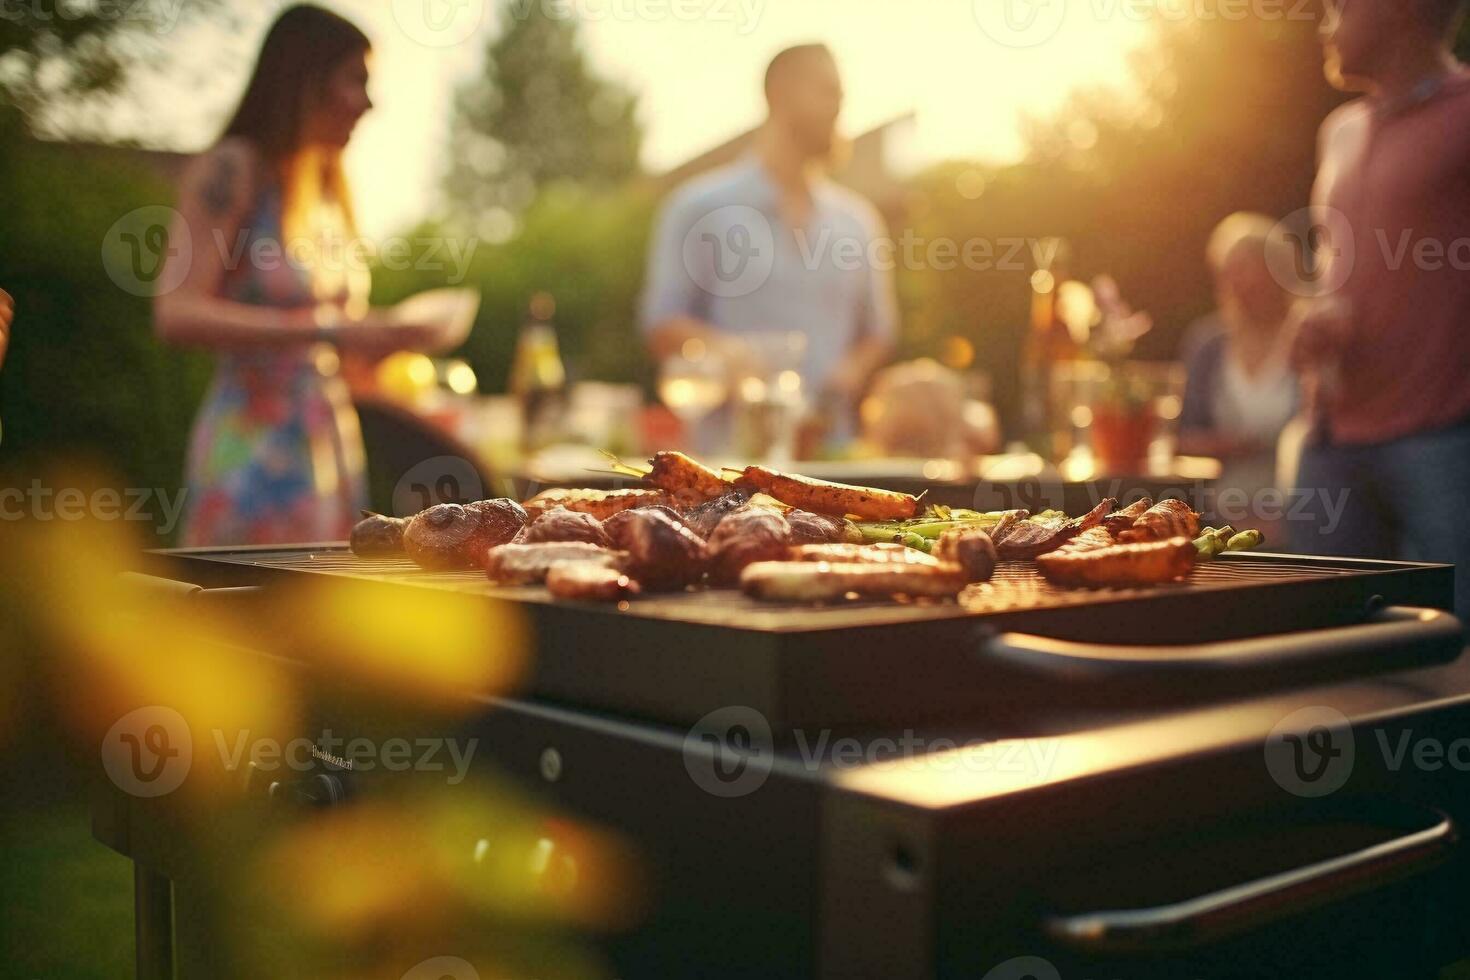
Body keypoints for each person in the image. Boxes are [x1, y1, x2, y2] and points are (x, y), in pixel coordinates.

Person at [156, 6, 456, 546]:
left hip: (326, 446)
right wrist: (329, 329)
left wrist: (385, 348)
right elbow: (175, 312)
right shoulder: (234, 168)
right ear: (304, 78)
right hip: (250, 452)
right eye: (355, 80)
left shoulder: (326, 190)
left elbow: (330, 344)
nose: (369, 102)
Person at [1289, 0, 1470, 617]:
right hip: (1330, 435)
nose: (1325, 23)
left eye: (1339, 8)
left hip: (1442, 439)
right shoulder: (1337, 129)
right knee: (1323, 640)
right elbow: (1332, 260)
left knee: (1453, 650)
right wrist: (1311, 315)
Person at [640, 43, 897, 449]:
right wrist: (732, 355)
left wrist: (846, 373)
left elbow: (877, 332)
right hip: (725, 465)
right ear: (779, 93)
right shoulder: (699, 208)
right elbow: (663, 323)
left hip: (833, 462)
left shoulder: (858, 221)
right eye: (828, 91)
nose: (839, 106)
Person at [1179, 213, 1298, 544]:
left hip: (1303, 513)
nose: (1239, 283)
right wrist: (1229, 445)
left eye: (1249, 270)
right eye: (1229, 272)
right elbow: (1180, 438)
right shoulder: (1206, 344)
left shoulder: (1308, 337)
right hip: (1216, 520)